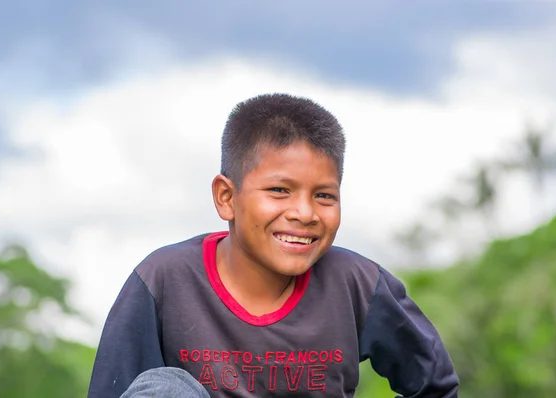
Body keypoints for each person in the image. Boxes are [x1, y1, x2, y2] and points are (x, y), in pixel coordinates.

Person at [87, 93, 459, 398]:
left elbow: (436, 387)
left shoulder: (357, 284)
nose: (304, 212)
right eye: (279, 190)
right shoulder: (163, 280)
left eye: (324, 195)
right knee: (166, 390)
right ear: (226, 197)